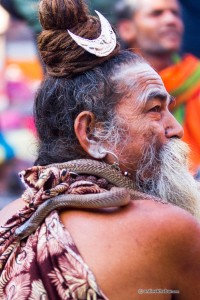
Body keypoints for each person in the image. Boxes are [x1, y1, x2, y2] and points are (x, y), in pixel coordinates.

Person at [0, 0, 200, 299]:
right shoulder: (169, 229)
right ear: (92, 133)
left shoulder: (8, 218)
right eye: (156, 109)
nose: (175, 129)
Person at [115, 0, 200, 175]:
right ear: (127, 29)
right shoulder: (111, 91)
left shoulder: (195, 79)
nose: (171, 20)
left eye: (175, 13)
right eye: (157, 13)